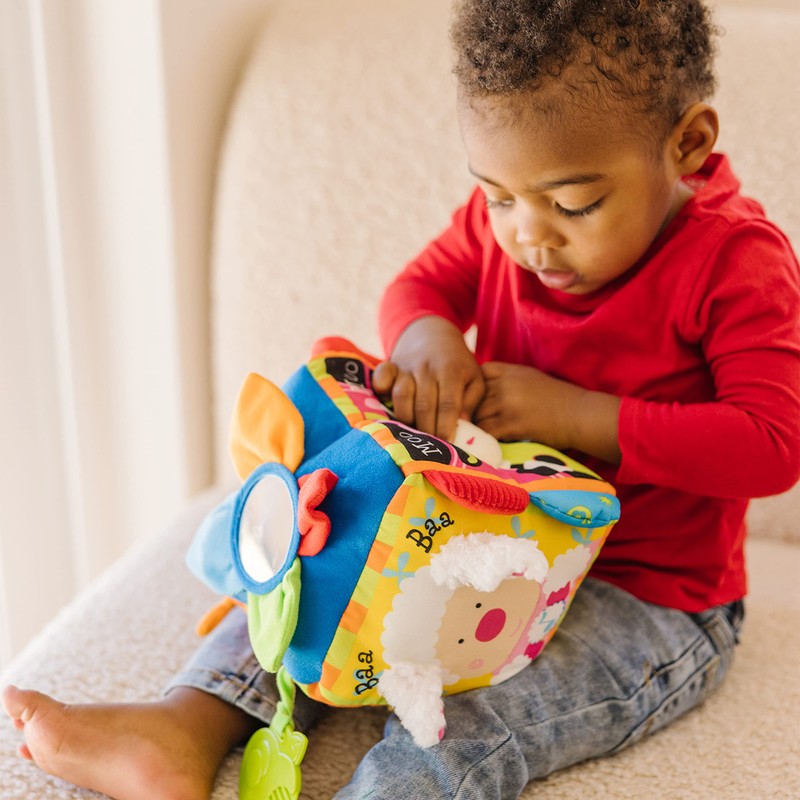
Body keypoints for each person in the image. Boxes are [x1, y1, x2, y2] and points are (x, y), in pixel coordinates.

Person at [3, 0, 799, 798]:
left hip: (648, 594)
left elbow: (773, 441)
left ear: (687, 144)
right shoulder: (515, 221)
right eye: (497, 197)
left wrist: (574, 413)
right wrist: (425, 335)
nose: (529, 238)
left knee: (471, 719)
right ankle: (184, 723)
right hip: (479, 531)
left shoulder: (736, 262)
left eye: (575, 204)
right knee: (310, 588)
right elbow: (421, 286)